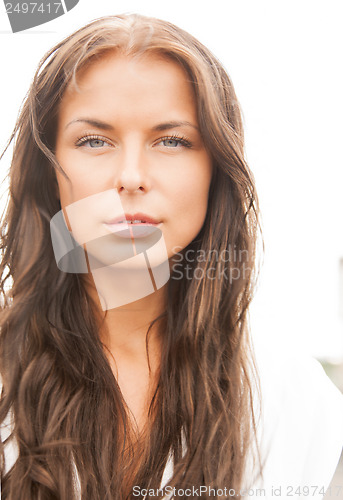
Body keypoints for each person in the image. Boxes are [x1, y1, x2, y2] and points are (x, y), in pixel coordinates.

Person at [0, 13, 342, 500]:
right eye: (94, 140)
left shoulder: (294, 398)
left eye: (172, 141)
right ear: (49, 173)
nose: (132, 175)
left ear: (215, 172)